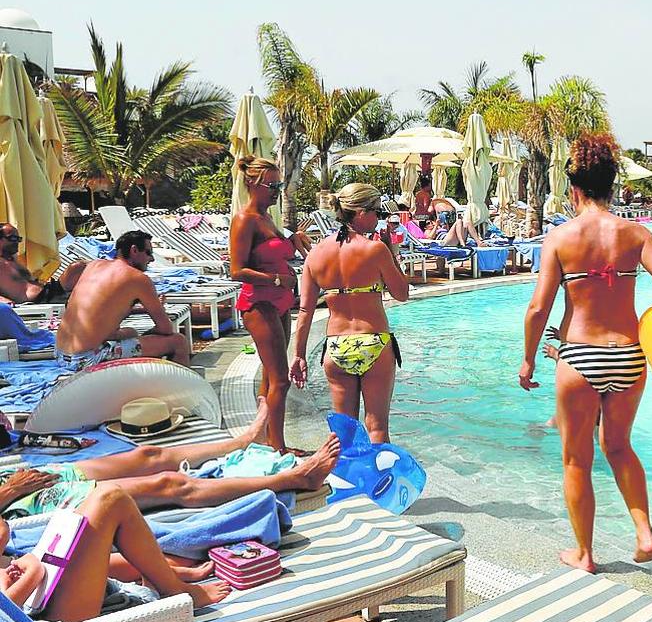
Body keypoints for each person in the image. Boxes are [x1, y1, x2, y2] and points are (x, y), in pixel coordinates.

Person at [519, 133, 652, 573]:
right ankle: (644, 534)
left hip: (580, 355)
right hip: (628, 355)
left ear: (575, 189)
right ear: (612, 185)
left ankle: (584, 554)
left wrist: (528, 359)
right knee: (619, 446)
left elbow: (537, 308)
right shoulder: (636, 234)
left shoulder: (562, 238)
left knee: (576, 458)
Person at [0, 402, 338, 520]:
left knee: (150, 455)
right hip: (23, 504)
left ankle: (242, 440)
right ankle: (296, 479)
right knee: (169, 485)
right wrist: (10, 492)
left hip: (23, 477)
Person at [1, 485, 231, 622]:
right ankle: (175, 589)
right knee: (110, 499)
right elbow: (6, 617)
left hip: (33, 597)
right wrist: (33, 572)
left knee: (90, 520)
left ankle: (163, 574)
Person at [291, 183, 410, 444]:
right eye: (376, 212)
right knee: (377, 428)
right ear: (359, 212)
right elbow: (402, 293)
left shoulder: (316, 254)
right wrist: (392, 251)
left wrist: (299, 355)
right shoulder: (374, 249)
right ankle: (379, 484)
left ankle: (347, 483)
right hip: (374, 343)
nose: (379, 219)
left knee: (344, 433)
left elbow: (305, 310)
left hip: (336, 346)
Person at [229, 157, 309, 453]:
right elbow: (236, 271)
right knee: (281, 380)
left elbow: (276, 250)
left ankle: (265, 437)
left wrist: (294, 239)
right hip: (259, 302)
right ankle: (279, 447)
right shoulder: (245, 219)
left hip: (279, 303)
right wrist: (276, 279)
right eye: (271, 185)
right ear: (252, 183)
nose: (277, 190)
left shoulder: (267, 217)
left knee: (269, 376)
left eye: (279, 184)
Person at [54, 231, 191, 370]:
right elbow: (165, 328)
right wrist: (149, 331)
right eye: (148, 253)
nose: (151, 259)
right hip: (88, 358)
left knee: (130, 332)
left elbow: (100, 309)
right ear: (134, 250)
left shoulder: (94, 266)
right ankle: (183, 390)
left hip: (61, 355)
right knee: (178, 342)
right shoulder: (138, 278)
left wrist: (140, 311)